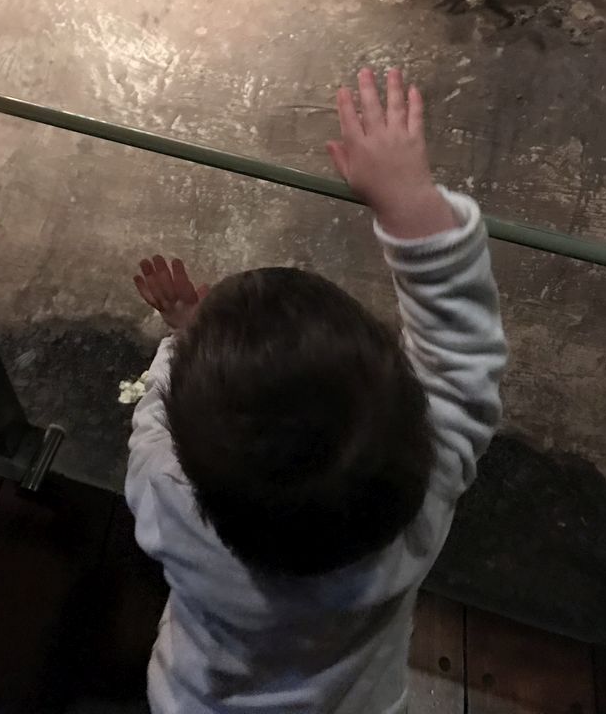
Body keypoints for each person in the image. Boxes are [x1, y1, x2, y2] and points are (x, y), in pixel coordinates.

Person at [126, 67, 507, 714]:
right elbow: (461, 347)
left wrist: (185, 334)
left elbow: (157, 416)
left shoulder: (166, 499)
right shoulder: (423, 503)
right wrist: (408, 197)